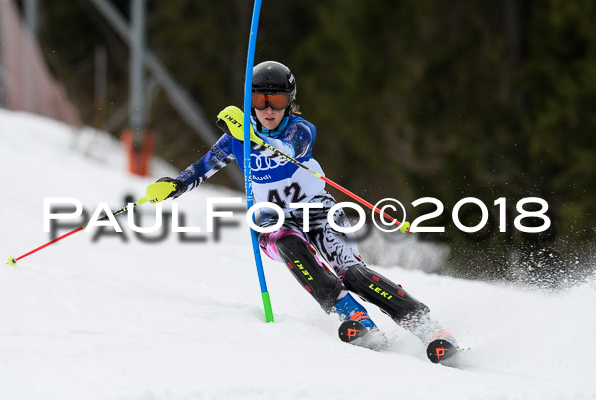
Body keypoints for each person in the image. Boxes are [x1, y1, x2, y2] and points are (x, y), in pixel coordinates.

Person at [147, 61, 459, 362]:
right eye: (259, 100)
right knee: (287, 242)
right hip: (273, 218)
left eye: (277, 100)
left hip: (318, 211)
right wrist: (174, 186)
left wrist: (251, 137)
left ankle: (428, 328)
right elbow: (201, 168)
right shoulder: (234, 139)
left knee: (352, 273)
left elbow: (288, 151)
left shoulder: (300, 129)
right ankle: (354, 317)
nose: (269, 109)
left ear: (289, 102)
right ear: (249, 100)